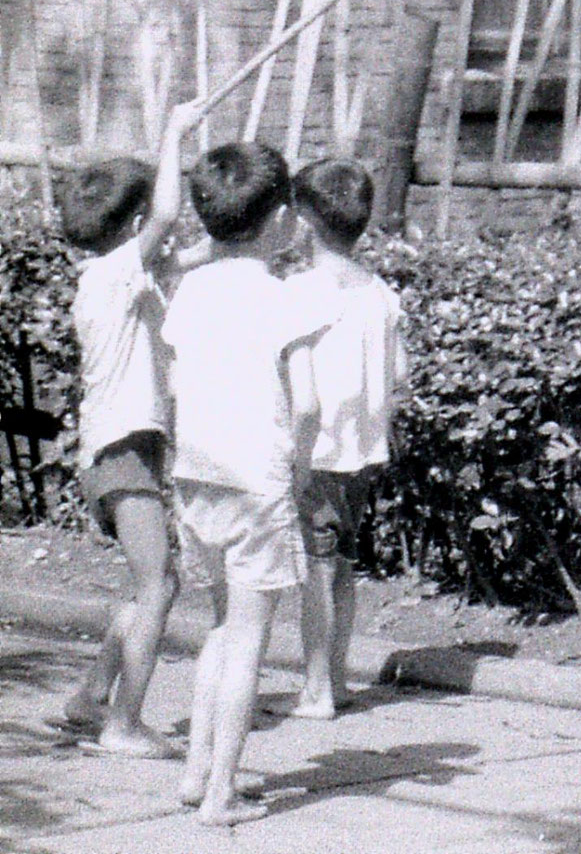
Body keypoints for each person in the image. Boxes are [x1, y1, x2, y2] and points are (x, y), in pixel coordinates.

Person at [161, 141, 334, 827]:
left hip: (196, 474)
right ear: (281, 218)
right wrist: (298, 467)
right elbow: (311, 404)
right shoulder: (285, 297)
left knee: (223, 624)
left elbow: (175, 384)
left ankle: (197, 767)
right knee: (250, 639)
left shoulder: (192, 288)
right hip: (257, 477)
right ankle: (221, 791)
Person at [57, 100, 198, 754]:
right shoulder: (117, 275)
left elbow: (187, 249)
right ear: (135, 225)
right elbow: (169, 217)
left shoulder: (114, 279)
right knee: (159, 584)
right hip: (121, 452)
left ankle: (91, 696)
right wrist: (174, 133)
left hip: (118, 449)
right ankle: (123, 723)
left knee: (143, 584)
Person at [288, 159, 407, 719]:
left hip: (314, 452)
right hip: (363, 451)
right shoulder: (381, 292)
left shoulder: (300, 291)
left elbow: (293, 381)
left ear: (305, 220)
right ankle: (334, 681)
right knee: (343, 567)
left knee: (316, 567)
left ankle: (315, 689)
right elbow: (399, 374)